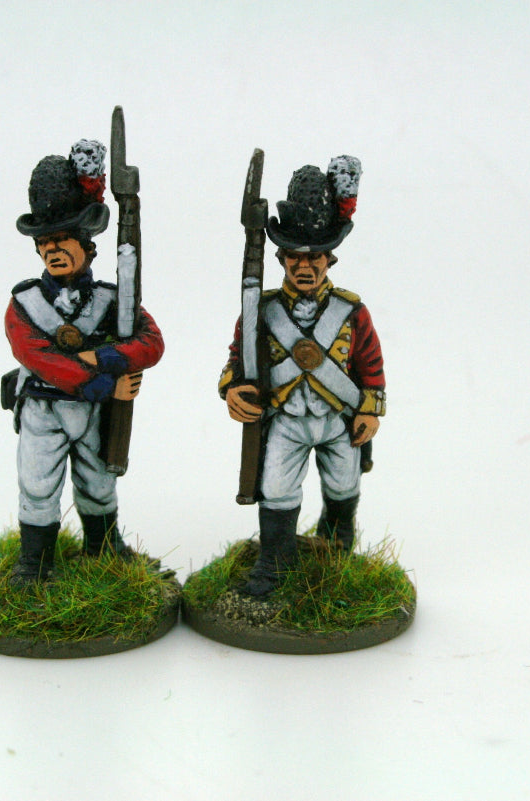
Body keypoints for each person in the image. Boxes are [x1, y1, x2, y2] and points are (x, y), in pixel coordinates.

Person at [219, 156, 385, 596]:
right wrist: (232, 389)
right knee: (276, 488)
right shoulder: (263, 310)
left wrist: (369, 410)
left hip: (337, 418)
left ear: (329, 259)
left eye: (314, 258)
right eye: (294, 257)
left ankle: (337, 547)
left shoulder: (351, 311)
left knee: (344, 483)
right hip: (287, 419)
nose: (305, 266)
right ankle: (274, 566)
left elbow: (370, 365)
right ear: (281, 259)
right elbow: (237, 358)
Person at [4, 140, 164, 584]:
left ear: (87, 246)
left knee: (98, 483)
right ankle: (34, 565)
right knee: (38, 486)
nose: (53, 250)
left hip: (94, 414)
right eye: (45, 243)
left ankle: (104, 548)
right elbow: (39, 358)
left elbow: (151, 343)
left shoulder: (112, 300)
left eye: (62, 240)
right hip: (43, 408)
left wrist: (108, 355)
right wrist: (105, 383)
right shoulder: (24, 303)